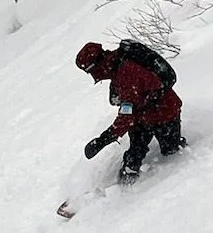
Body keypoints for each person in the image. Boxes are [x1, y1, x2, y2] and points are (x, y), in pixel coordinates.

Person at [75, 40, 185, 183]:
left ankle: (180, 178)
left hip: (164, 114)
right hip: (144, 117)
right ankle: (126, 182)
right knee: (133, 155)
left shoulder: (126, 74)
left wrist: (102, 141)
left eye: (90, 71)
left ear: (97, 66)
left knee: (173, 153)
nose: (93, 76)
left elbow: (126, 118)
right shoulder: (117, 61)